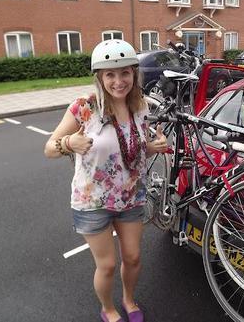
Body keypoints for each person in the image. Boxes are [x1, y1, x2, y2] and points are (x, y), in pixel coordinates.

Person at [44, 39, 168, 322]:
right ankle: (107, 308)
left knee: (134, 257)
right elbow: (49, 148)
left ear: (134, 74)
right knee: (108, 265)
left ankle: (128, 299)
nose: (118, 81)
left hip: (130, 196)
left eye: (125, 72)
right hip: (92, 201)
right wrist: (68, 142)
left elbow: (131, 149)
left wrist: (152, 147)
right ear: (100, 77)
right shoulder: (84, 108)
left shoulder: (141, 107)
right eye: (110, 74)